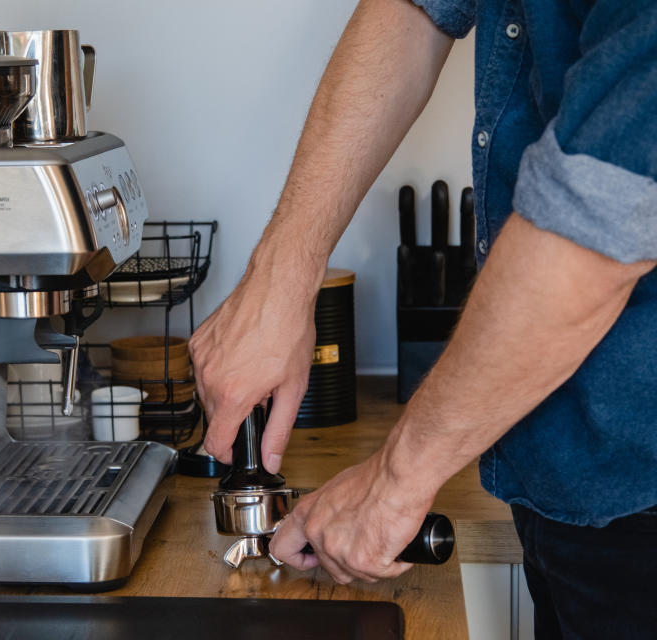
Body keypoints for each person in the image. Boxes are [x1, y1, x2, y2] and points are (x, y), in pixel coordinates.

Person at [188, 1, 657, 637]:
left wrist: (395, 480)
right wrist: (281, 277)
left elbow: (599, 227)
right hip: (557, 460)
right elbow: (413, 9)